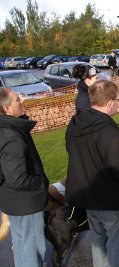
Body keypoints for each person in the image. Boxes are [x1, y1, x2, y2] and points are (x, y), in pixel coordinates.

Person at [65, 80, 119, 267]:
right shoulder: (107, 130)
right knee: (116, 246)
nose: (118, 103)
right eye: (118, 100)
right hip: (109, 199)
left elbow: (72, 152)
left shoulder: (74, 124)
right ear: (111, 102)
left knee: (98, 243)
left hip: (88, 197)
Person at [0, 88, 49, 267]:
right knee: (32, 250)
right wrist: (41, 183)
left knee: (21, 246)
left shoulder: (7, 128)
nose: (21, 101)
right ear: (6, 108)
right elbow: (17, 178)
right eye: (17, 100)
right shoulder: (11, 135)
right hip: (25, 203)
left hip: (11, 201)